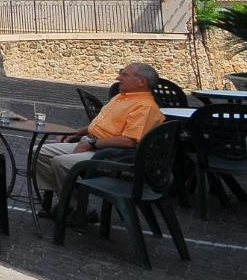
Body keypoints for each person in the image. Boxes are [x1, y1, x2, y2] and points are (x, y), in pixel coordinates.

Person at [34, 62, 165, 215]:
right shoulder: (122, 97)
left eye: (124, 74)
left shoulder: (145, 107)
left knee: (61, 162)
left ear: (141, 81)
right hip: (94, 145)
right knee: (39, 152)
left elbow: (129, 141)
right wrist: (76, 132)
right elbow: (99, 126)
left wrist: (92, 144)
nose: (118, 77)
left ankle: (77, 210)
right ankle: (69, 201)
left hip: (112, 155)